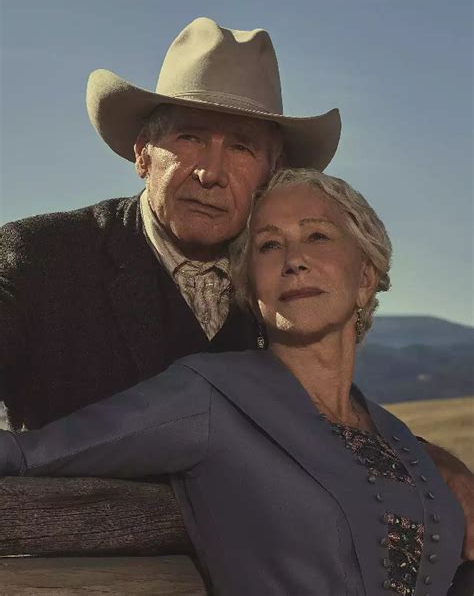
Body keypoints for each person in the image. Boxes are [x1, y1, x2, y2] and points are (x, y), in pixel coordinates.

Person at [0, 16, 472, 559]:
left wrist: (426, 458)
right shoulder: (40, 256)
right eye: (190, 137)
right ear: (143, 152)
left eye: (242, 148)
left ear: (271, 172)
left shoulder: (283, 285)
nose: (211, 173)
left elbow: (320, 408)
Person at [1, 169, 466, 595]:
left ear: (365, 276)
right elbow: (31, 454)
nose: (294, 260)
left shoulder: (396, 436)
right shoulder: (207, 395)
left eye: (317, 236)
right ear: (250, 284)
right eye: (269, 245)